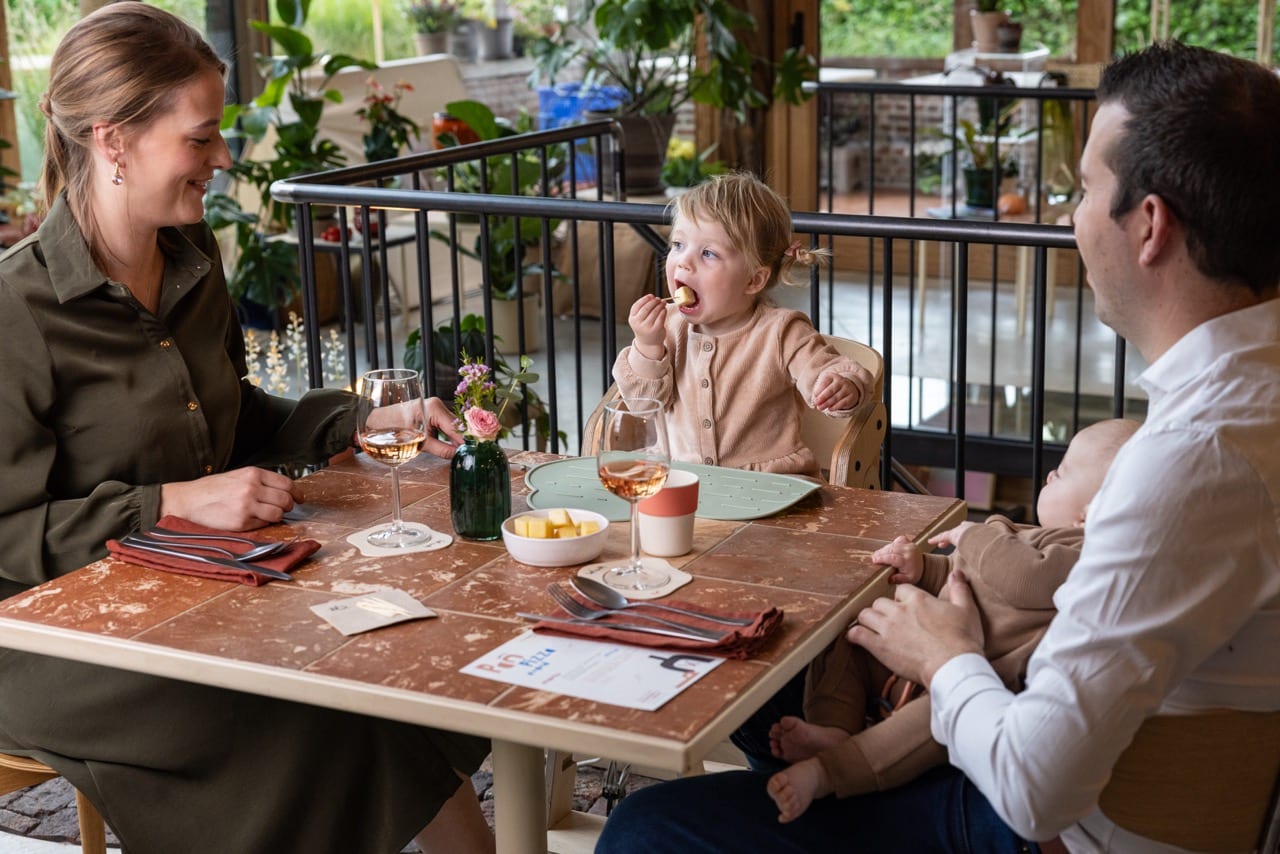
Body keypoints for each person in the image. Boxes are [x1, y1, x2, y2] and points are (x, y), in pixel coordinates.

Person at [597, 41, 1280, 853]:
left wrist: (944, 656)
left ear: (1150, 226)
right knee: (766, 677)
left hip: (1043, 823)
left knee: (646, 828)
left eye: (1084, 191)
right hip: (1052, 746)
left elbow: (1034, 789)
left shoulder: (1193, 461)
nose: (1070, 217)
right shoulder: (1244, 402)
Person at [0, 5, 492, 853]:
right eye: (201, 138)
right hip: (48, 641)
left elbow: (231, 417)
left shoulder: (192, 258)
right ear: (113, 142)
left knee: (379, 667)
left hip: (194, 594)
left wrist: (362, 418)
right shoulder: (17, 308)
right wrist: (171, 505)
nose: (224, 157)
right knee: (307, 707)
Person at [767, 418, 1139, 823]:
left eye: (1062, 472)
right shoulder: (1028, 536)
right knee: (851, 633)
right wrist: (923, 567)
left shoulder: (1084, 556)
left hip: (977, 680)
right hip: (923, 651)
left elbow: (1021, 578)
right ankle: (831, 728)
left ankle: (829, 772)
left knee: (929, 724)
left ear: (1089, 515)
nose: (1049, 475)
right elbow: (964, 576)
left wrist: (978, 532)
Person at [612, 172, 873, 477]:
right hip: (681, 478)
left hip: (768, 485)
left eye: (708, 253)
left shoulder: (782, 332)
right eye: (678, 244)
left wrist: (841, 386)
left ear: (753, 280)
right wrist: (647, 345)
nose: (683, 262)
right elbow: (642, 406)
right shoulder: (667, 328)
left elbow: (826, 370)